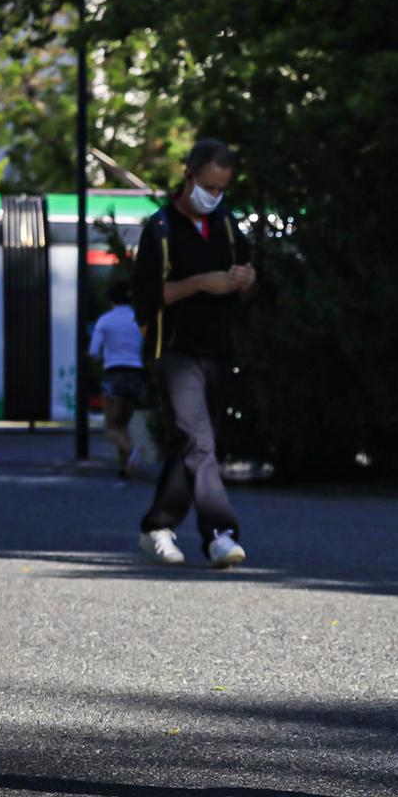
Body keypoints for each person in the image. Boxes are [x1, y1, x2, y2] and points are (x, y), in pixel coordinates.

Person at [130, 138, 256, 568]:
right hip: (174, 350)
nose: (214, 196)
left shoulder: (225, 223)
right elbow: (148, 296)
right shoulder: (160, 229)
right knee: (198, 441)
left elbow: (250, 276)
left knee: (196, 444)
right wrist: (202, 282)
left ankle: (156, 527)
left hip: (218, 348)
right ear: (189, 176)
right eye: (209, 186)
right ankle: (219, 533)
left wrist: (244, 279)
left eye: (222, 189)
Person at [89, 277, 147, 481]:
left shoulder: (105, 321)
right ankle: (125, 469)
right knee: (123, 425)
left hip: (115, 374)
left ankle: (133, 453)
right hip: (137, 375)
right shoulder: (138, 319)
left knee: (112, 428)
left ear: (111, 299)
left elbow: (94, 351)